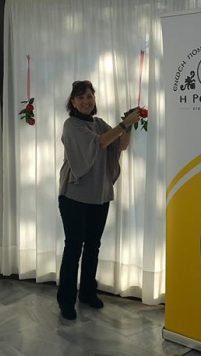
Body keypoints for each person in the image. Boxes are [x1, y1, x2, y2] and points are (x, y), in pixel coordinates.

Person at [56, 80, 141, 320]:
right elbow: (100, 143)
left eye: (89, 96)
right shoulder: (71, 125)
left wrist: (129, 126)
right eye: (81, 97)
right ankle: (66, 300)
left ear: (94, 99)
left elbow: (120, 145)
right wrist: (124, 124)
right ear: (73, 102)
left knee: (93, 246)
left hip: (99, 196)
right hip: (74, 196)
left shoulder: (99, 123)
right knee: (74, 247)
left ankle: (87, 293)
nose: (86, 101)